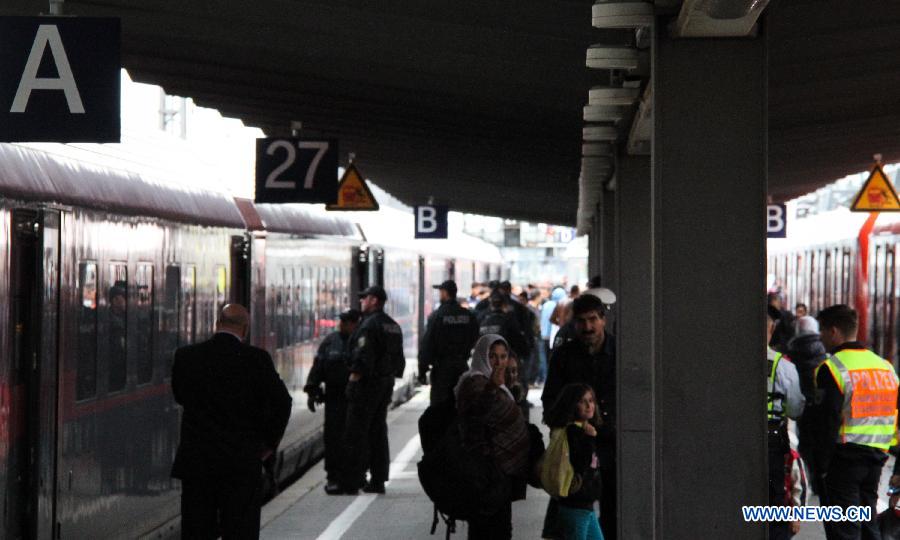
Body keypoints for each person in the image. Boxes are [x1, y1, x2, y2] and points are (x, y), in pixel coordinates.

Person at [170, 304, 292, 540]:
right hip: (241, 463)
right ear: (245, 329)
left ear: (217, 324)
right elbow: (283, 403)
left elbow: (180, 396)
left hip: (197, 463)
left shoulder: (186, 356)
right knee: (240, 531)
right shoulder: (257, 359)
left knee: (196, 531)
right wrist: (269, 444)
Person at [808, 304, 899, 540]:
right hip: (877, 457)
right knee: (868, 524)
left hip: (844, 460)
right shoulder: (886, 367)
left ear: (834, 331)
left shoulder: (832, 368)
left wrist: (822, 465)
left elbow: (827, 421)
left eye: (822, 331)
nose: (820, 337)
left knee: (845, 529)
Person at [542, 294, 616, 540]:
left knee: (612, 511)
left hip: (611, 445)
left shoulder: (619, 353)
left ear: (603, 320)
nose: (588, 327)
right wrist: (571, 430)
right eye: (582, 321)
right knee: (573, 512)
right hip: (575, 449)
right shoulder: (564, 356)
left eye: (593, 319)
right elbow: (550, 400)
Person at [454, 334, 529, 539]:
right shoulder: (474, 383)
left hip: (500, 473)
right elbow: (476, 416)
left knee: (501, 527)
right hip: (484, 472)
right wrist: (492, 388)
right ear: (481, 356)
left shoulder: (499, 384)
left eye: (503, 356)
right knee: (486, 528)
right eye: (493, 356)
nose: (499, 362)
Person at [340, 285, 405, 495]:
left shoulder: (369, 326)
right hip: (385, 383)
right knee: (378, 432)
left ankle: (353, 481)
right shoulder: (393, 325)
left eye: (365, 298)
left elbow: (362, 358)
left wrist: (353, 382)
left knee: (356, 433)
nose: (362, 301)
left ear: (374, 300)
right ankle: (378, 480)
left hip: (366, 385)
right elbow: (399, 360)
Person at [304, 308, 361, 494]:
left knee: (354, 439)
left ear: (355, 324)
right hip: (334, 399)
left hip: (356, 400)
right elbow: (318, 367)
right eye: (341, 321)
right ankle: (334, 478)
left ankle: (353, 478)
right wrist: (312, 390)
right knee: (333, 439)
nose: (341, 324)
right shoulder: (330, 342)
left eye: (346, 322)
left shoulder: (362, 341)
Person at [544, 383, 605, 540]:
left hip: (585, 506)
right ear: (572, 405)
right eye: (582, 401)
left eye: (591, 400)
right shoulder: (573, 432)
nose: (589, 405)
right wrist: (590, 439)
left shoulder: (582, 429)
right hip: (576, 505)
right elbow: (581, 463)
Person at [766, 311, 805, 540]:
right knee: (774, 500)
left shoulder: (730, 365)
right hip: (772, 441)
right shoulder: (783, 366)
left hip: (735, 441)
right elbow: (795, 410)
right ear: (771, 329)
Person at [418, 279, 480, 405]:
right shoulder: (468, 316)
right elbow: (475, 338)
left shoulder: (437, 316)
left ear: (445, 293)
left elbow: (427, 344)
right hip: (461, 366)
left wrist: (422, 370)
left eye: (440, 292)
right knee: (460, 404)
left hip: (442, 370)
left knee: (439, 407)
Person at [785, 315, 827, 483]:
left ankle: (807, 476)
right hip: (821, 406)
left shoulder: (791, 350)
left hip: (803, 406)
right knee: (820, 442)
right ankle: (819, 478)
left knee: (805, 443)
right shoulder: (824, 350)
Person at [479, 290, 528, 361]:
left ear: (491, 305)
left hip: (486, 360)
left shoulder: (483, 321)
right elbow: (519, 340)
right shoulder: (508, 321)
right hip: (504, 360)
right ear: (504, 305)